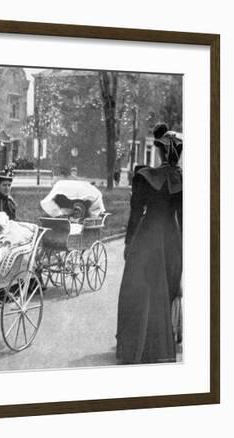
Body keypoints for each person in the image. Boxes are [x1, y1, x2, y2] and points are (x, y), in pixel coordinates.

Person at [116, 123, 183, 364]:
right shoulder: (180, 180)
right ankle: (163, 343)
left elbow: (135, 214)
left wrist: (127, 242)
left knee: (136, 288)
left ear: (160, 152)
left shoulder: (145, 177)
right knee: (167, 287)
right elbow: (184, 220)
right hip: (171, 238)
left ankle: (133, 344)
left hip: (146, 237)